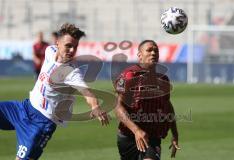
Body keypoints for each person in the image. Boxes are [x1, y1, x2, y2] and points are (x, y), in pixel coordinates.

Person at [0, 23, 109, 160]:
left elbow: (86, 91)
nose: (71, 50)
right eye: (68, 45)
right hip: (24, 108)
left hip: (41, 124)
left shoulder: (71, 72)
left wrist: (95, 106)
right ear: (57, 43)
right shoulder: (49, 51)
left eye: (75, 47)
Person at [114, 40, 180, 160]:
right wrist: (136, 130)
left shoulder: (163, 79)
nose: (153, 53)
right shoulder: (129, 76)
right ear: (139, 55)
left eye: (156, 50)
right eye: (149, 50)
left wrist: (175, 133)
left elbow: (168, 106)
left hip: (152, 137)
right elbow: (118, 106)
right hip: (128, 136)